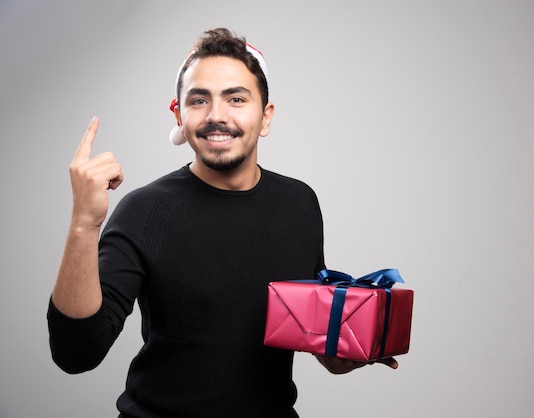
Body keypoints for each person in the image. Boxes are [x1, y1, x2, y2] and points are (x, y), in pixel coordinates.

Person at [47, 27, 397, 418]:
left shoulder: (300, 203)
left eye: (236, 98)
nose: (217, 116)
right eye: (199, 100)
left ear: (265, 116)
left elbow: (305, 327)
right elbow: (76, 354)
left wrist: (345, 349)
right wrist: (83, 224)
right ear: (179, 115)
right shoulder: (143, 211)